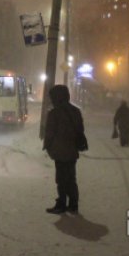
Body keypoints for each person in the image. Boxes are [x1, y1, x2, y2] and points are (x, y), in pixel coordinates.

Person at [42, 84, 85, 215]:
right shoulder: (76, 111)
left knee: (61, 179)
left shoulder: (54, 113)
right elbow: (80, 130)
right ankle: (73, 204)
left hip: (60, 151)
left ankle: (61, 204)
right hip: (72, 150)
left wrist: (47, 146)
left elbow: (49, 133)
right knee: (71, 178)